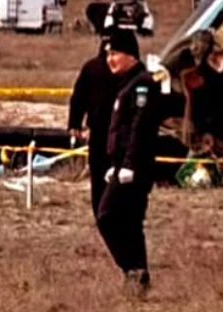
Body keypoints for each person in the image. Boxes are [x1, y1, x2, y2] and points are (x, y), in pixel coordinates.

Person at [81, 29, 163, 295]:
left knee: (106, 216)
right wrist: (116, 163)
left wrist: (128, 164)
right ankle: (139, 276)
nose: (110, 60)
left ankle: (131, 268)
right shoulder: (126, 84)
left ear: (130, 55)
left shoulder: (142, 85)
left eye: (115, 54)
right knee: (130, 222)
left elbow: (140, 129)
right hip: (123, 165)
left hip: (135, 167)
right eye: (108, 55)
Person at [68, 34, 126, 228]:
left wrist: (75, 123)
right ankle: (106, 213)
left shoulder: (95, 68)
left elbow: (77, 98)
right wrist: (74, 123)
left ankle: (106, 212)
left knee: (107, 175)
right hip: (107, 131)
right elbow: (79, 97)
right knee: (106, 174)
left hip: (112, 131)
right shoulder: (97, 68)